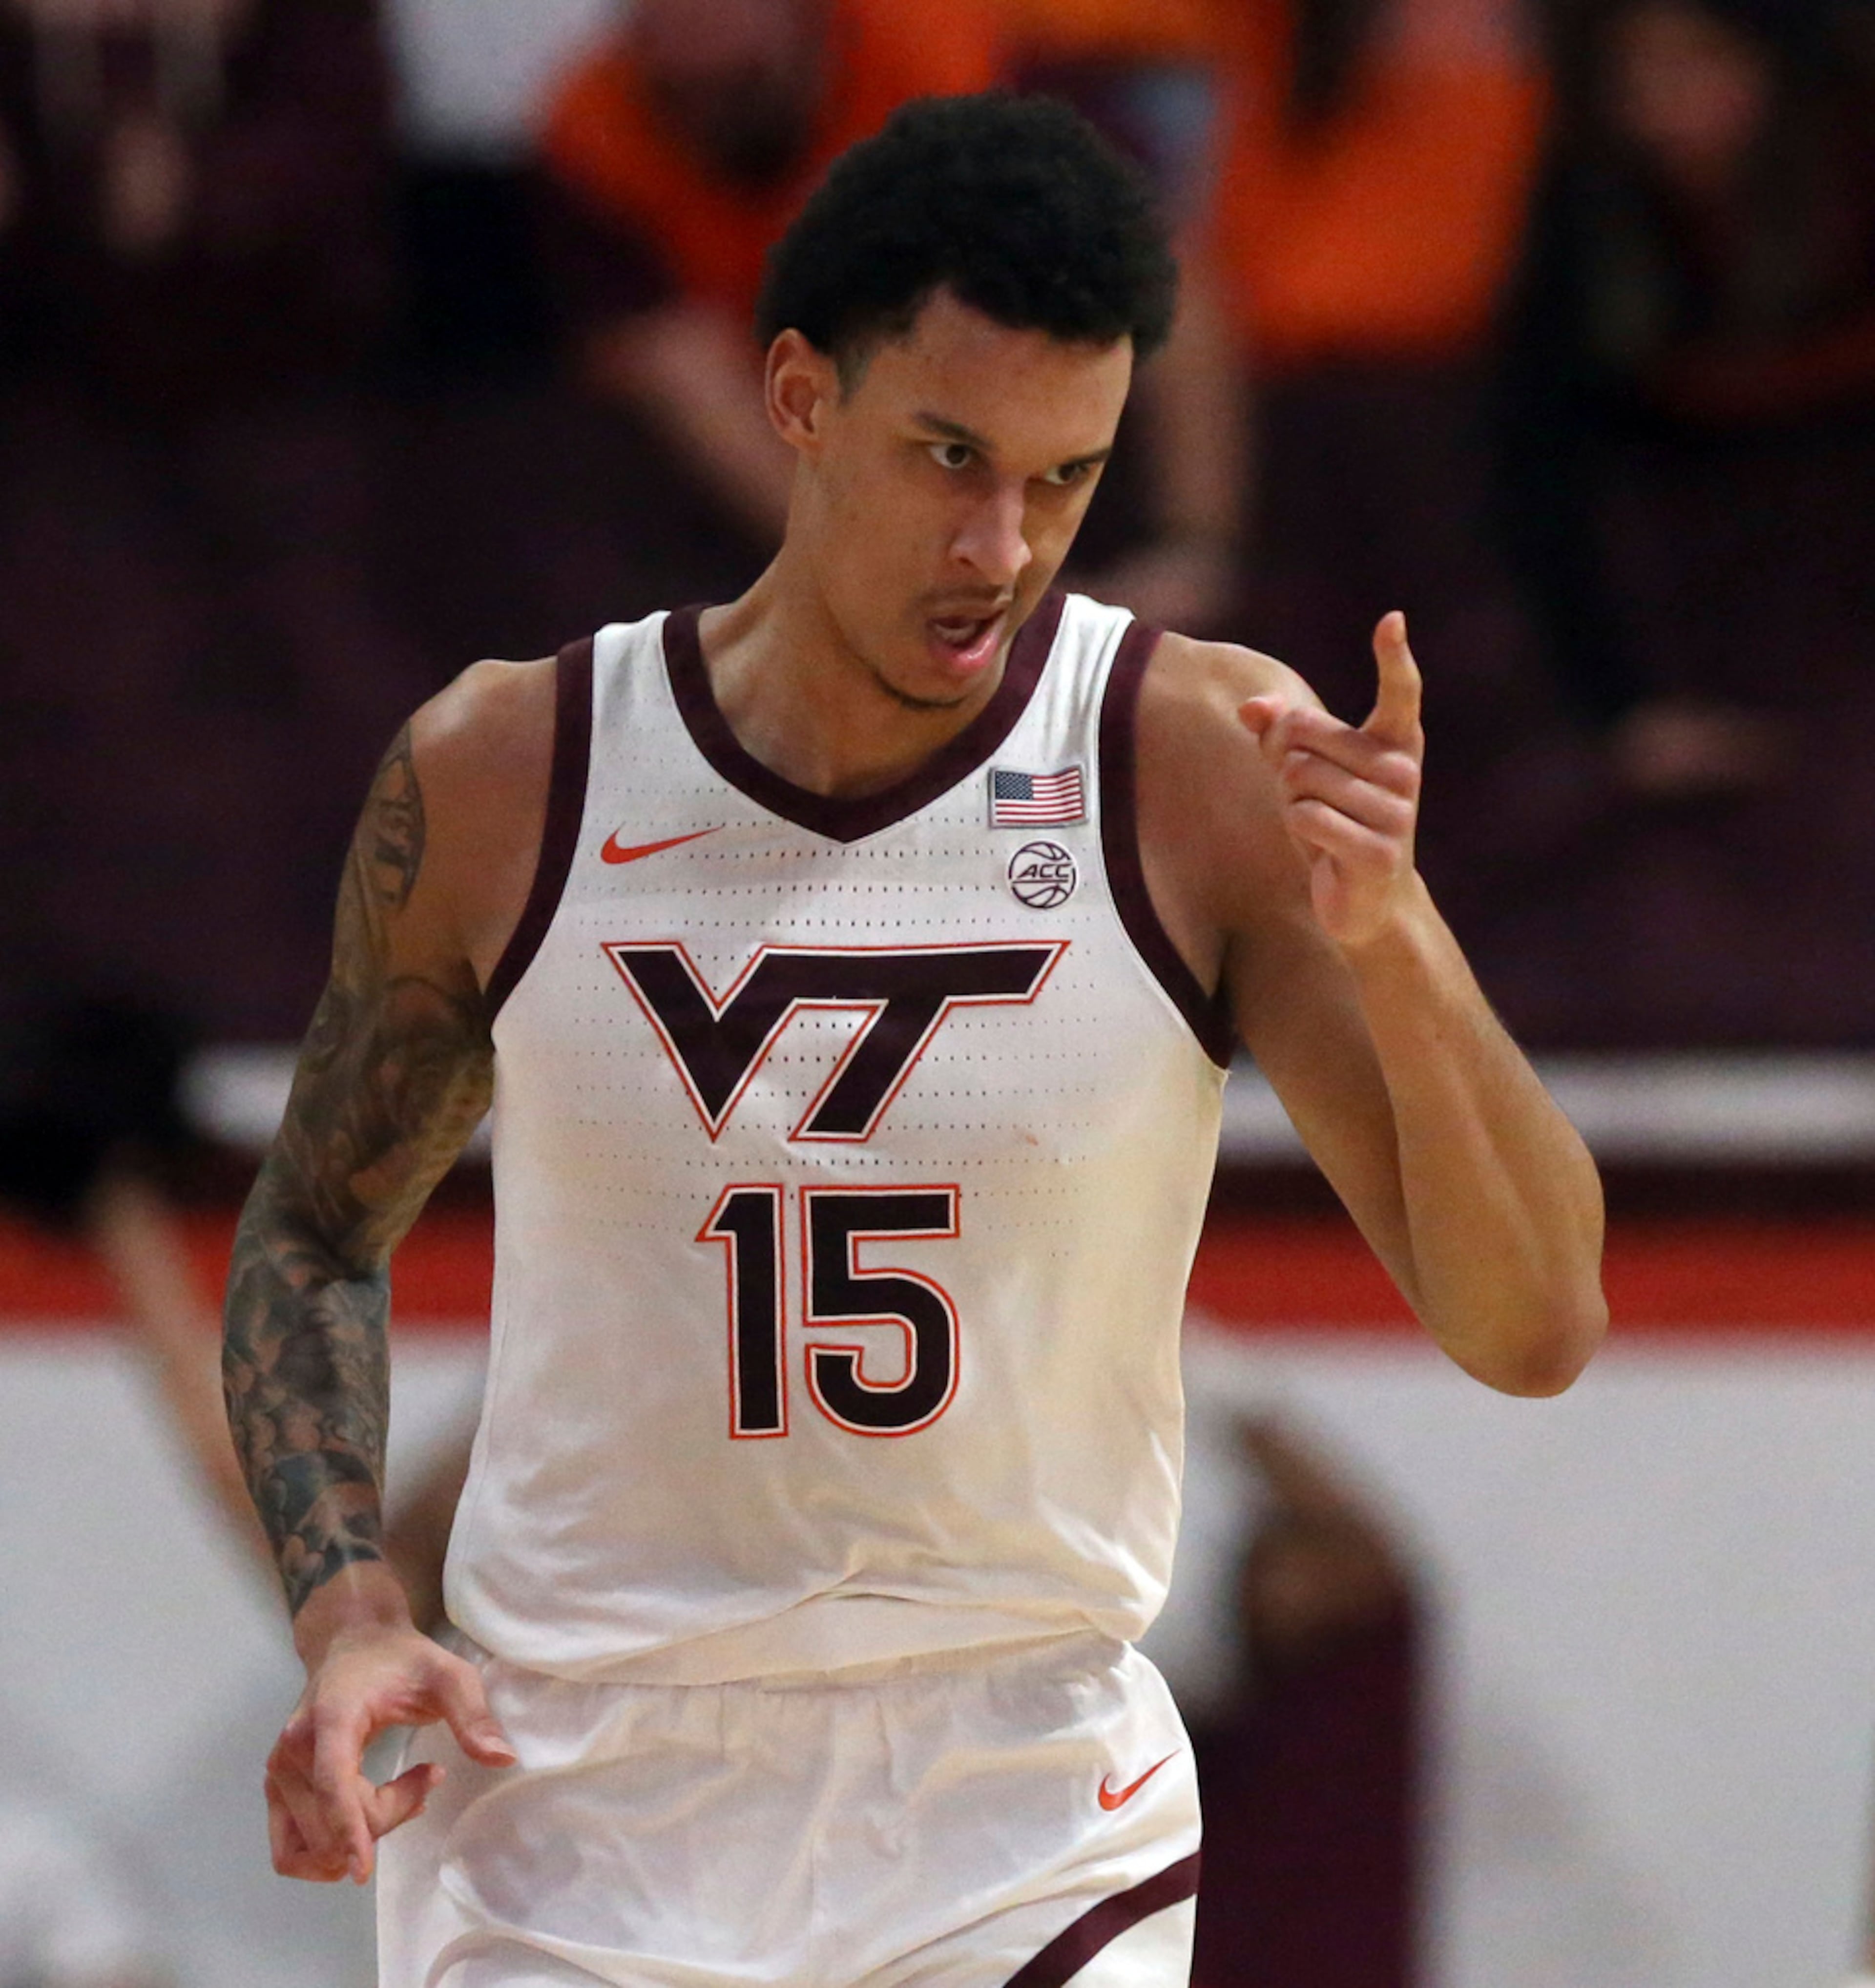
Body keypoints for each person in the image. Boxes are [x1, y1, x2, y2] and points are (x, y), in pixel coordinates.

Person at [223, 91, 1607, 1986]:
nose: (1000, 543)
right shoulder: (508, 770)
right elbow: (310, 1231)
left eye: (1064, 478)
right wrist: (351, 1607)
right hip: (573, 1795)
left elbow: (1531, 1327)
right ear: (798, 397)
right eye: (950, 455)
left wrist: (1409, 941)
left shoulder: (1196, 763)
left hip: (1017, 1793)